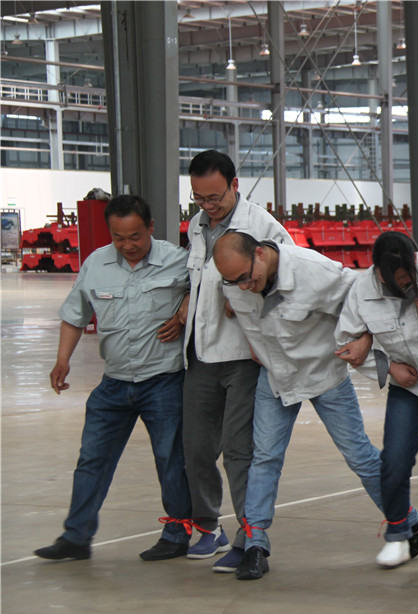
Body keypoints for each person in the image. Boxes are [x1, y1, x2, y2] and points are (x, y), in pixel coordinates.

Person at [212, 231, 390, 579]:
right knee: (264, 458)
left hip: (324, 373)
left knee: (359, 455)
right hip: (276, 376)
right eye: (235, 282)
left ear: (260, 254)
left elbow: (364, 299)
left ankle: (404, 520)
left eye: (247, 278)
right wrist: (256, 344)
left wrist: (366, 339)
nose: (244, 287)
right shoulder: (234, 282)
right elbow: (246, 312)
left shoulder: (313, 272)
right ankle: (255, 545)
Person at [34, 194, 192, 562]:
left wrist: (185, 307)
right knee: (92, 459)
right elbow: (75, 315)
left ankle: (177, 533)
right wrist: (62, 360)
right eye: (119, 238)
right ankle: (76, 537)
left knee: (171, 460)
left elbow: (209, 290)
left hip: (163, 381)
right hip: (114, 383)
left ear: (150, 228)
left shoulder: (177, 261)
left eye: (135, 236)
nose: (128, 245)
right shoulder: (96, 264)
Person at [180, 150, 292, 573]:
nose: (208, 205)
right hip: (201, 353)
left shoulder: (263, 226)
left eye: (215, 197)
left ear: (235, 185)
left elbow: (288, 282)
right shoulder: (196, 227)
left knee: (239, 451)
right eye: (199, 198)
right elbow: (195, 280)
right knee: (196, 448)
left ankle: (249, 538)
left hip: (244, 357)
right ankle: (208, 526)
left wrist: (251, 296)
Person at [335, 231, 418, 577]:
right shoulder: (362, 291)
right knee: (394, 459)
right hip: (410, 385)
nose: (404, 284)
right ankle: (399, 532)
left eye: (409, 277)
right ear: (378, 271)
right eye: (395, 280)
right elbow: (346, 344)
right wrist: (389, 367)